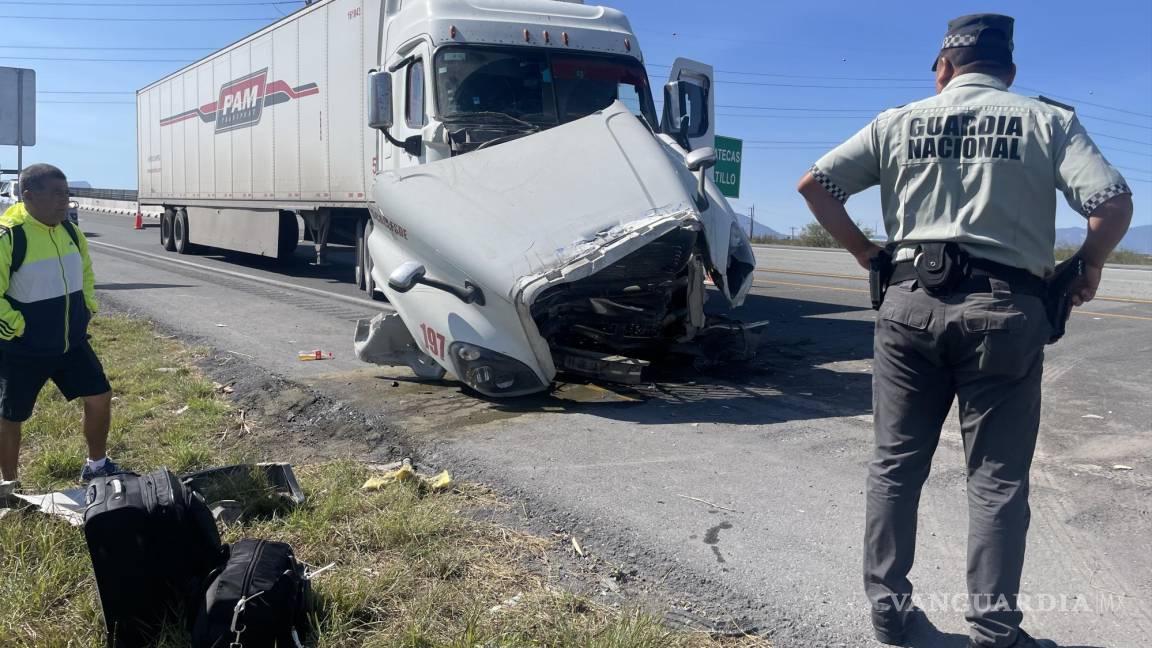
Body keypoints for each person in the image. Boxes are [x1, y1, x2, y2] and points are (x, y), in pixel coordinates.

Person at [796, 14, 1133, 648]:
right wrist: (1088, 264)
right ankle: (994, 631)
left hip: (907, 304)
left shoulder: (897, 121)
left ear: (945, 68)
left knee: (895, 465)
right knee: (998, 478)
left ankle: (890, 618)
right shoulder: (1045, 120)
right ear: (1009, 73)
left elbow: (816, 186)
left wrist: (869, 256)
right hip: (1005, 314)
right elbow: (1111, 203)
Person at [0, 163, 120, 493]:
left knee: (100, 397)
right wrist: (19, 328)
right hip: (23, 348)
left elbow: (86, 273)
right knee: (11, 417)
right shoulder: (11, 236)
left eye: (66, 194)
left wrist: (88, 307)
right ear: (28, 196)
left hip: (71, 342)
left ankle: (96, 467)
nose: (64, 201)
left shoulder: (69, 231)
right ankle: (9, 487)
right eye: (55, 194)